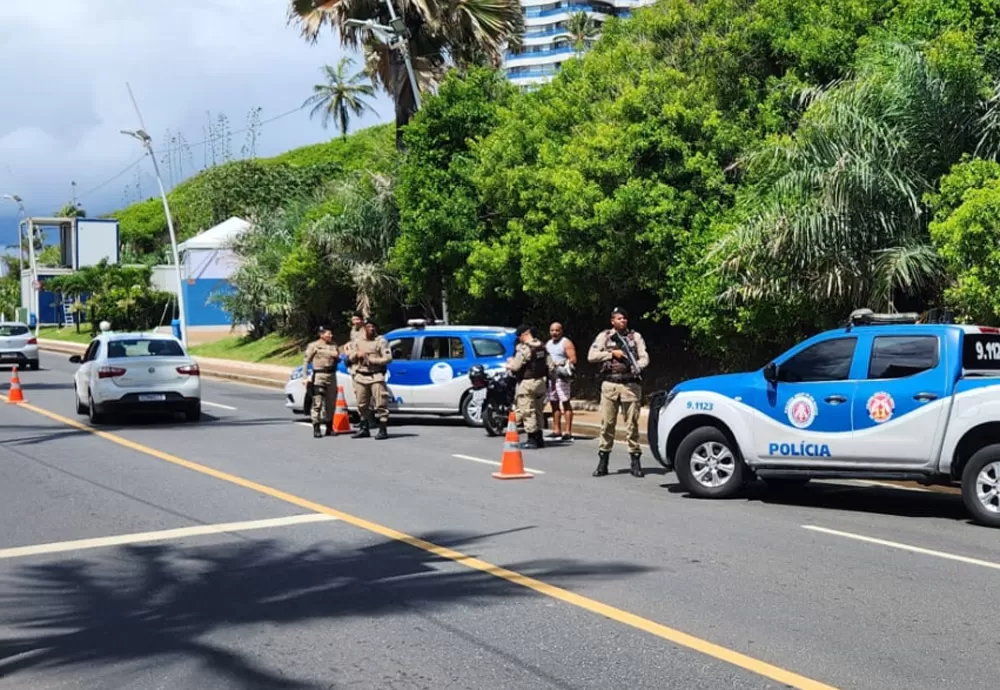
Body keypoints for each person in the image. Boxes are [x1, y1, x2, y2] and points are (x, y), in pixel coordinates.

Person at [587, 307, 650, 477]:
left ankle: (635, 461)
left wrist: (637, 366)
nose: (623, 321)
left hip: (630, 385)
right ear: (612, 321)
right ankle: (603, 461)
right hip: (610, 385)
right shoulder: (604, 337)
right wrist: (611, 354)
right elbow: (591, 356)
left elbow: (645, 358)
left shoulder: (635, 337)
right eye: (619, 318)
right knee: (607, 424)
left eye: (625, 318)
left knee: (632, 425)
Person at [506, 325, 554, 449]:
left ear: (523, 335)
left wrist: (509, 363)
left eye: (519, 336)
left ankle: (532, 439)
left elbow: (516, 366)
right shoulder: (542, 346)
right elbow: (551, 365)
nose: (519, 339)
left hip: (527, 383)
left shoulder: (524, 349)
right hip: (541, 382)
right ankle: (539, 438)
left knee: (527, 410)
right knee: (538, 410)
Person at [345, 319, 392, 440]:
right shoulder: (358, 341)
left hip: (376, 375)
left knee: (381, 403)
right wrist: (357, 354)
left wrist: (372, 360)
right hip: (361, 375)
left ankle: (383, 429)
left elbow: (388, 358)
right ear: (364, 328)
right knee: (362, 404)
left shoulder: (381, 341)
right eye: (369, 326)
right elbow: (350, 356)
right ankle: (364, 428)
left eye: (373, 326)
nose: (371, 329)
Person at [303, 327, 340, 439]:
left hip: (331, 376)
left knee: (331, 403)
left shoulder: (334, 345)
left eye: (331, 333)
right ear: (322, 335)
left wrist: (337, 357)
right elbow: (306, 361)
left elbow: (337, 359)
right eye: (329, 334)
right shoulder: (314, 345)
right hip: (319, 375)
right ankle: (316, 426)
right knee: (317, 402)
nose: (331, 335)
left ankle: (329, 427)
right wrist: (305, 377)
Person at [545, 322, 577, 441]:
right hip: (551, 376)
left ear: (561, 331)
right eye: (552, 330)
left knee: (565, 402)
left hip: (562, 376)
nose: (554, 333)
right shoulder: (548, 344)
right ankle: (556, 429)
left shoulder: (566, 342)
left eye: (557, 330)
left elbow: (573, 359)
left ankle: (568, 431)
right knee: (553, 402)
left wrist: (560, 363)